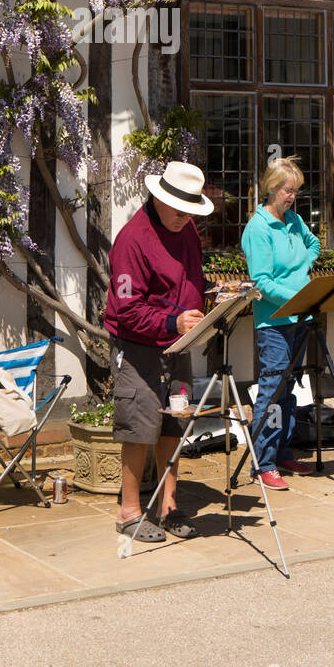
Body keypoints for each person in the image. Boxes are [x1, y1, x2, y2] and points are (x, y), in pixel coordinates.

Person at [103, 161, 213, 543]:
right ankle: (129, 511)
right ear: (158, 198)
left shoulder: (186, 230)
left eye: (191, 211)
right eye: (180, 210)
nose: (186, 218)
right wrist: (173, 322)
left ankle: (169, 505)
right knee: (139, 424)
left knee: (174, 422)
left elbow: (191, 279)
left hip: (178, 342)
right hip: (138, 345)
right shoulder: (132, 240)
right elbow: (126, 309)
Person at [241, 157, 320, 490]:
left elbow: (314, 245)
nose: (293, 197)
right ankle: (263, 461)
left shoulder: (294, 221)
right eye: (289, 191)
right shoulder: (258, 229)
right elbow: (260, 282)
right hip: (274, 323)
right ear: (273, 188)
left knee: (290, 390)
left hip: (300, 316)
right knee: (271, 392)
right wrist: (295, 294)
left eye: (297, 191)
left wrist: (303, 274)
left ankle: (283, 449)